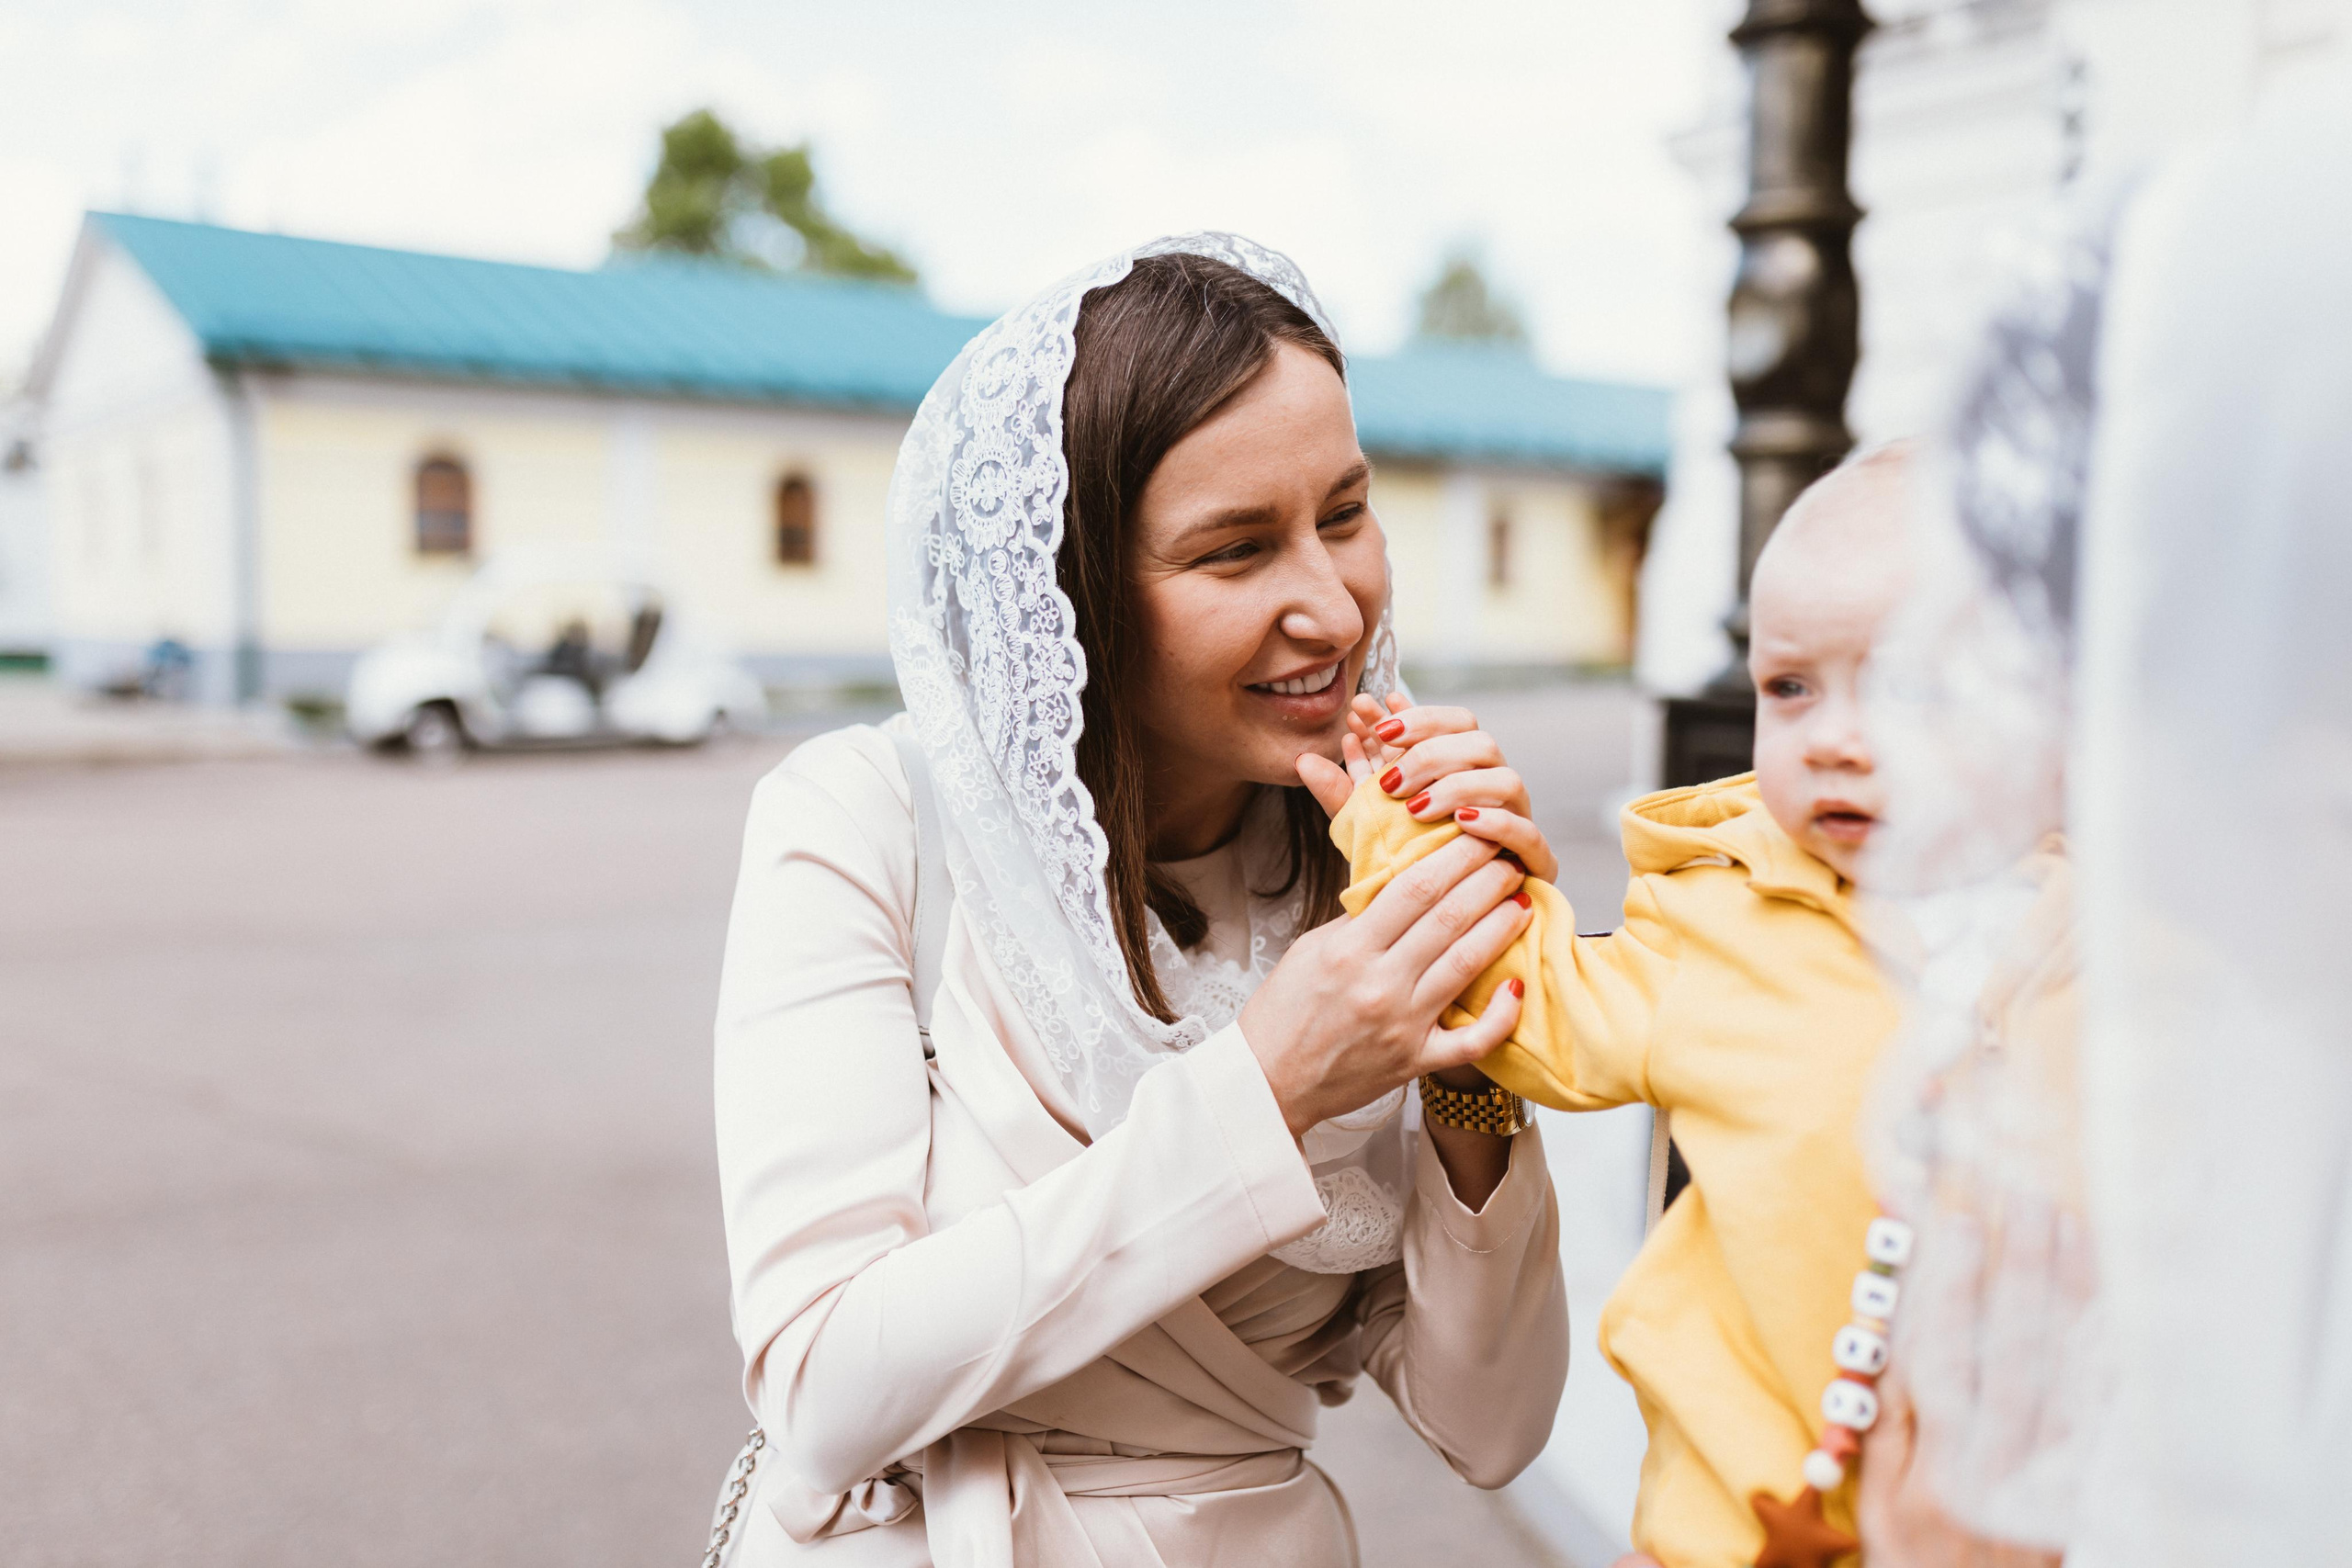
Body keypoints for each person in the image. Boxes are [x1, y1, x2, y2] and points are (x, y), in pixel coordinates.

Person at [712, 238, 1571, 1568]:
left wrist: (1479, 1052)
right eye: (1236, 550)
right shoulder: (867, 818)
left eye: (1344, 512)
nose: (1332, 603)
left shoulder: (1370, 865)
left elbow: (1492, 1428)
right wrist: (1269, 1080)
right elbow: (823, 1385)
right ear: (1072, 598)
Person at [1328, 446, 1917, 1567]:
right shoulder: (1727, 922)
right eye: (1788, 687)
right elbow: (1535, 997)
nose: (1832, 738)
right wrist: (1401, 831)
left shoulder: (2092, 942)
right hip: (1727, 1532)